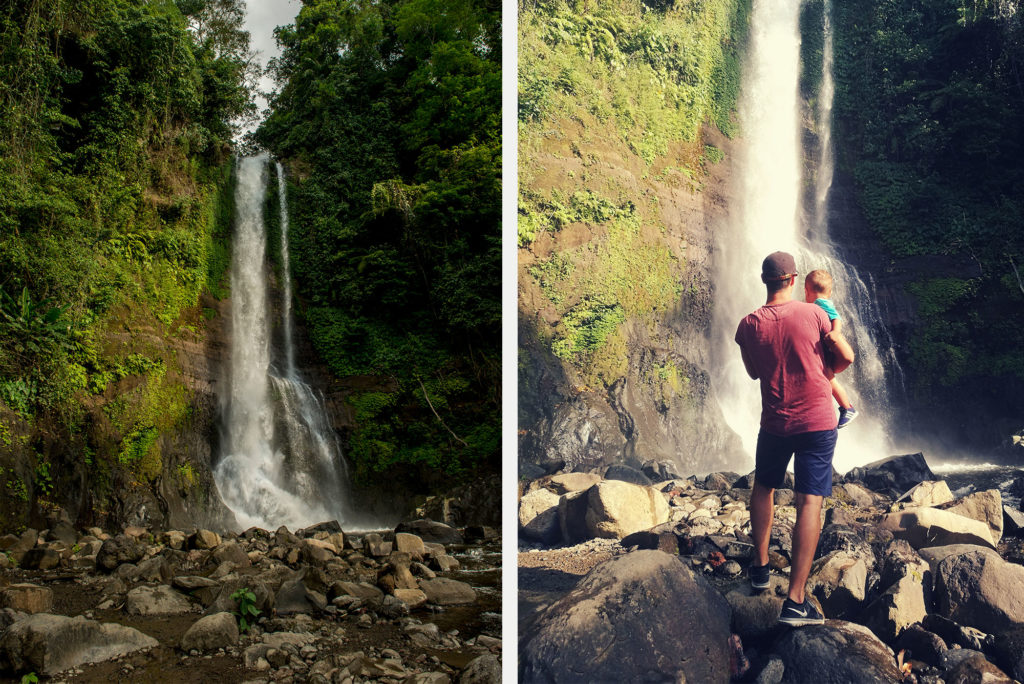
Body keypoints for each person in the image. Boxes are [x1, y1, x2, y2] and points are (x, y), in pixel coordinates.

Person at [734, 251, 855, 626]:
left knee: (763, 487)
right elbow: (837, 360)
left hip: (774, 423)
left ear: (765, 280)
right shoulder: (816, 313)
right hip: (817, 422)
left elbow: (754, 373)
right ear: (793, 279)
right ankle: (795, 601)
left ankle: (760, 567)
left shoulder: (747, 325)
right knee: (809, 503)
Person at [804, 269, 858, 428]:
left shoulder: (820, 303)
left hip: (829, 348)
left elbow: (836, 318)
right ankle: (845, 408)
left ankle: (847, 408)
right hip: (825, 349)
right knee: (827, 377)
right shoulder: (820, 303)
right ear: (830, 291)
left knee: (828, 377)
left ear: (807, 291)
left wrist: (835, 332)